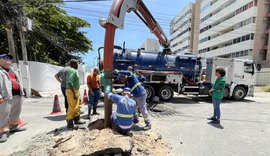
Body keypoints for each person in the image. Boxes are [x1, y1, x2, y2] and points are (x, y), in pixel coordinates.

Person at [0, 54, 26, 143]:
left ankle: (13, 127)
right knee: (3, 114)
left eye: (10, 58)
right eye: (6, 58)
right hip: (6, 96)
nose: (9, 59)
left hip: (17, 94)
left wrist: (22, 91)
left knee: (16, 111)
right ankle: (3, 132)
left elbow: (18, 81)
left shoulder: (12, 70)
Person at [65, 59, 85, 130]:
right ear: (73, 64)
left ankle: (77, 120)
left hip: (75, 90)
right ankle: (70, 124)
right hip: (72, 91)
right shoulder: (72, 70)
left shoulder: (73, 70)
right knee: (73, 107)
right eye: (77, 64)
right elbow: (69, 82)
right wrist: (74, 93)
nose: (77, 65)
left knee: (77, 106)